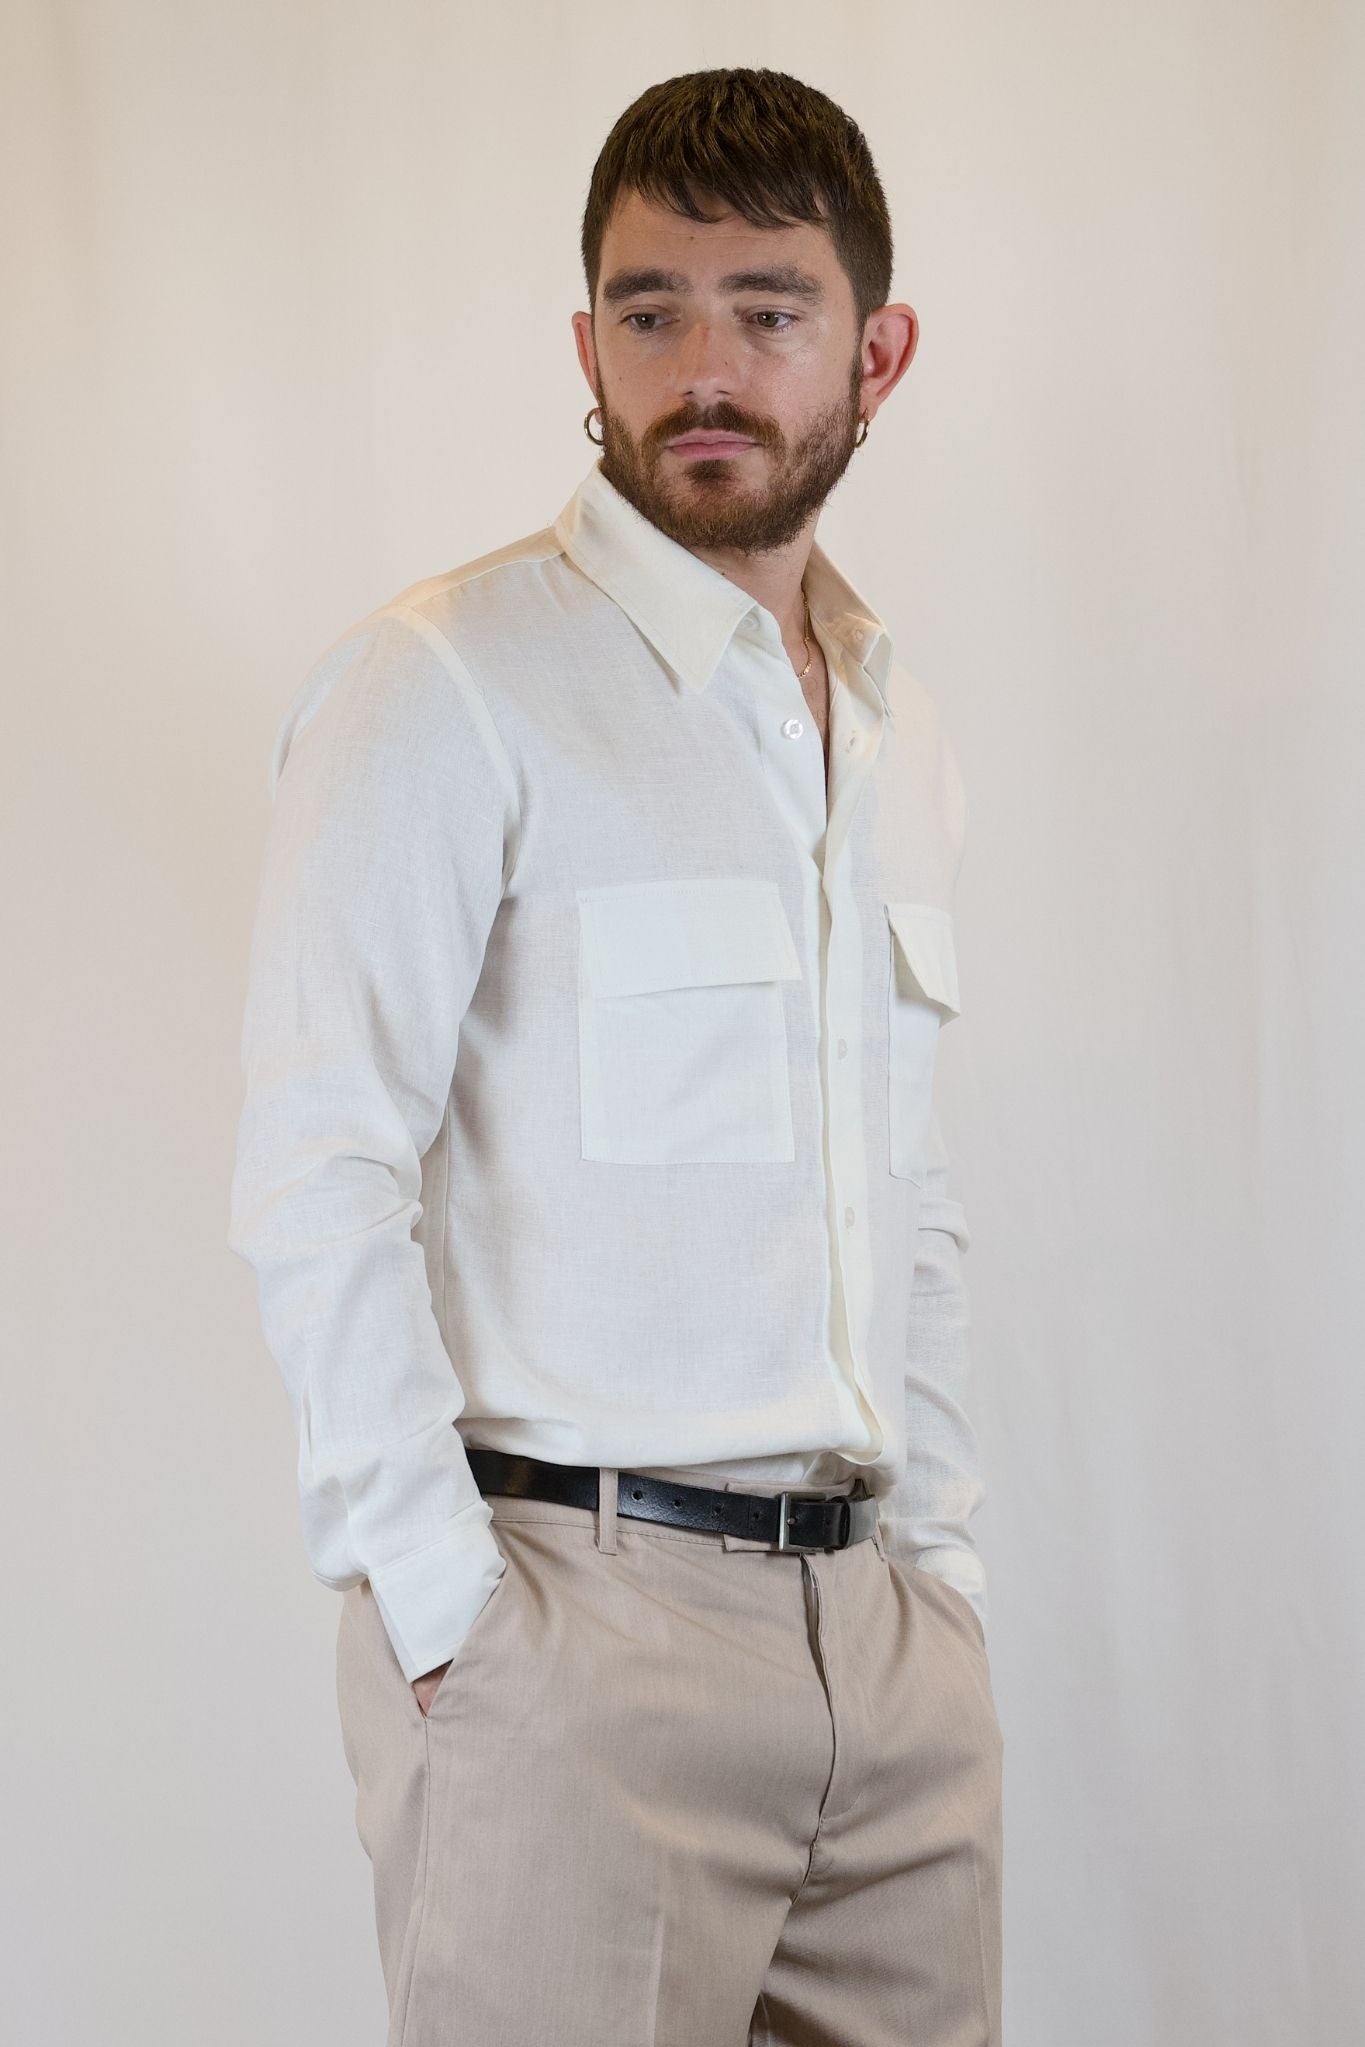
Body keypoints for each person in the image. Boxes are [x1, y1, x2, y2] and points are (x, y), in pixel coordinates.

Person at [229, 63, 1003, 2047]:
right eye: (648, 311)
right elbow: (319, 1168)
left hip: (886, 1669)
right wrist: (445, 1615)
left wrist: (939, 1580)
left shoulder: (896, 727)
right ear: (585, 345)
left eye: (767, 308)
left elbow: (906, 1196)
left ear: (876, 352)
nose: (703, 368)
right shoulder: (446, 683)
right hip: (578, 1641)